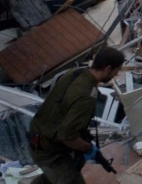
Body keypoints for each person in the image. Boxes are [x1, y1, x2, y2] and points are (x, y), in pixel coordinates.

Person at [28, 47, 125, 184]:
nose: (116, 75)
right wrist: (88, 148)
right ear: (108, 69)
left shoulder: (75, 73)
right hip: (49, 150)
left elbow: (61, 109)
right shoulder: (86, 97)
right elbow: (67, 136)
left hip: (39, 136)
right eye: (116, 71)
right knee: (70, 179)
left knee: (53, 177)